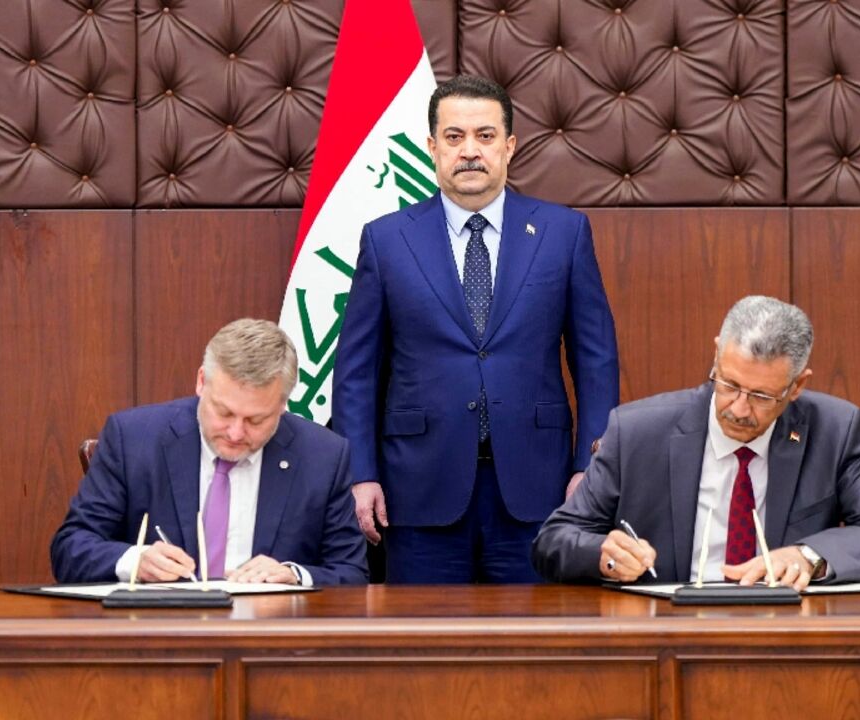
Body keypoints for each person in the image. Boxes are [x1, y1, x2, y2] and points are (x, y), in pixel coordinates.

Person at [332, 74, 619, 583]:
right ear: (432, 148)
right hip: (417, 488)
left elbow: (595, 361)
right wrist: (361, 473)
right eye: (454, 137)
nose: (470, 151)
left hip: (539, 488)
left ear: (509, 146)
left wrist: (590, 468)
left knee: (534, 648)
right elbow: (356, 372)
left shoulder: (564, 232)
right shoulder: (386, 241)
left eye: (485, 136)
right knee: (424, 649)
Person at [533, 296, 860, 589]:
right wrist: (605, 557)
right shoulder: (637, 431)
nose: (738, 408)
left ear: (797, 386)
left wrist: (808, 556)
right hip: (668, 629)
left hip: (783, 633)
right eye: (729, 384)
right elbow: (553, 541)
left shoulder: (835, 430)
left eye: (762, 396)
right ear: (717, 354)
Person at [51, 319, 367, 586]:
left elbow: (352, 573)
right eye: (224, 413)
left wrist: (294, 575)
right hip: (161, 636)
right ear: (202, 382)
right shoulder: (134, 439)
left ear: (283, 404)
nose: (235, 433)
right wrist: (135, 561)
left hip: (271, 640)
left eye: (256, 420)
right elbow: (70, 548)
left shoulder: (323, 455)